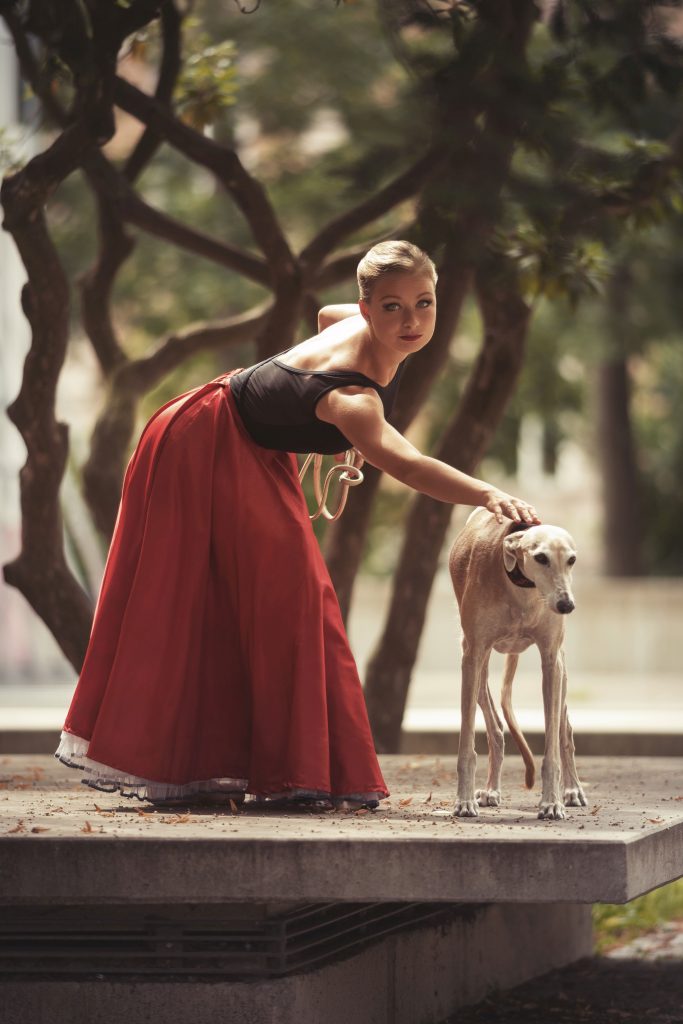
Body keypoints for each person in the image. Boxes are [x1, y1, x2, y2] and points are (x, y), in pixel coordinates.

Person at [56, 240, 539, 810]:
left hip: (249, 442)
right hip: (201, 440)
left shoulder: (351, 330)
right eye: (391, 307)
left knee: (279, 595)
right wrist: (486, 492)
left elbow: (324, 317)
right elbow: (407, 463)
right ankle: (290, 772)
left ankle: (277, 765)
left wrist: (323, 430)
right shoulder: (354, 403)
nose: (410, 321)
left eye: (423, 303)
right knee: (284, 594)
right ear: (367, 309)